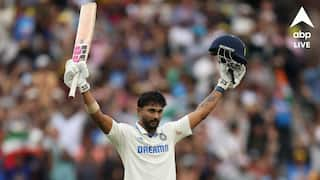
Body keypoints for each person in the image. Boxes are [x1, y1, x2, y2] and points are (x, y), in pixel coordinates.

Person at [63, 34, 247, 180]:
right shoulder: (126, 135)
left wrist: (222, 85)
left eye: (159, 111)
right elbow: (98, 116)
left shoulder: (169, 132)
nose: (156, 116)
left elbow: (202, 112)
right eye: (151, 111)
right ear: (138, 111)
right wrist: (84, 87)